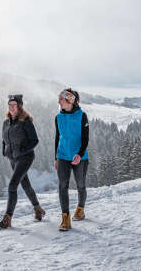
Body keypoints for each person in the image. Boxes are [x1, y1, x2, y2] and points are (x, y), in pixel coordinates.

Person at [0, 94, 45, 229]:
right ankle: (38, 209)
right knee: (26, 185)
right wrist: (5, 150)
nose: (11, 107)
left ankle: (7, 218)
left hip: (25, 157)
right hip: (13, 158)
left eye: (14, 105)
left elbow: (35, 140)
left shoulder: (26, 121)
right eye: (9, 105)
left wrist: (22, 150)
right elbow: (5, 139)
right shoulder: (6, 122)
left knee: (12, 186)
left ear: (19, 106)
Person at [54, 88, 89, 231]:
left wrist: (79, 154)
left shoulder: (82, 116)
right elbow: (57, 138)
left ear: (70, 100)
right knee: (62, 186)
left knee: (80, 185)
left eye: (61, 99)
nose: (59, 102)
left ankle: (80, 209)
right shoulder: (58, 117)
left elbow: (86, 138)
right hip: (62, 156)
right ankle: (65, 218)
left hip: (79, 157)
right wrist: (56, 157)